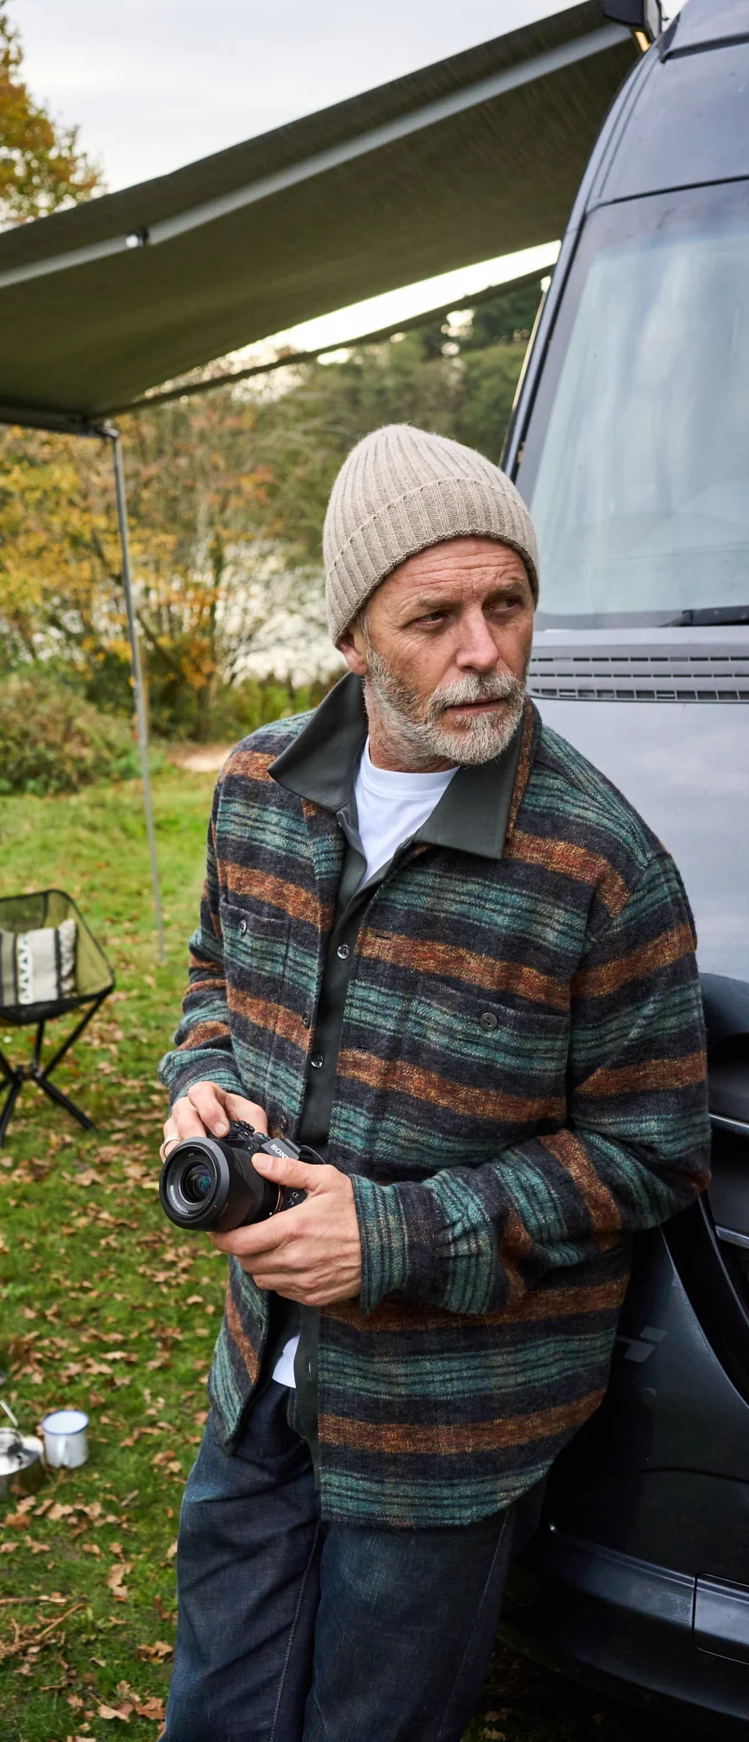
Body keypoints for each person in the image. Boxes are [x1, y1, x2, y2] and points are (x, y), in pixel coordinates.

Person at [157, 424, 710, 1742]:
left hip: (446, 1428)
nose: (484, 651)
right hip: (260, 1371)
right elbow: (211, 978)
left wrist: (390, 1234)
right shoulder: (258, 788)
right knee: (214, 1709)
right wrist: (197, 1079)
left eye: (505, 604)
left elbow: (649, 1152)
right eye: (434, 617)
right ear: (352, 634)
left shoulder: (599, 866)